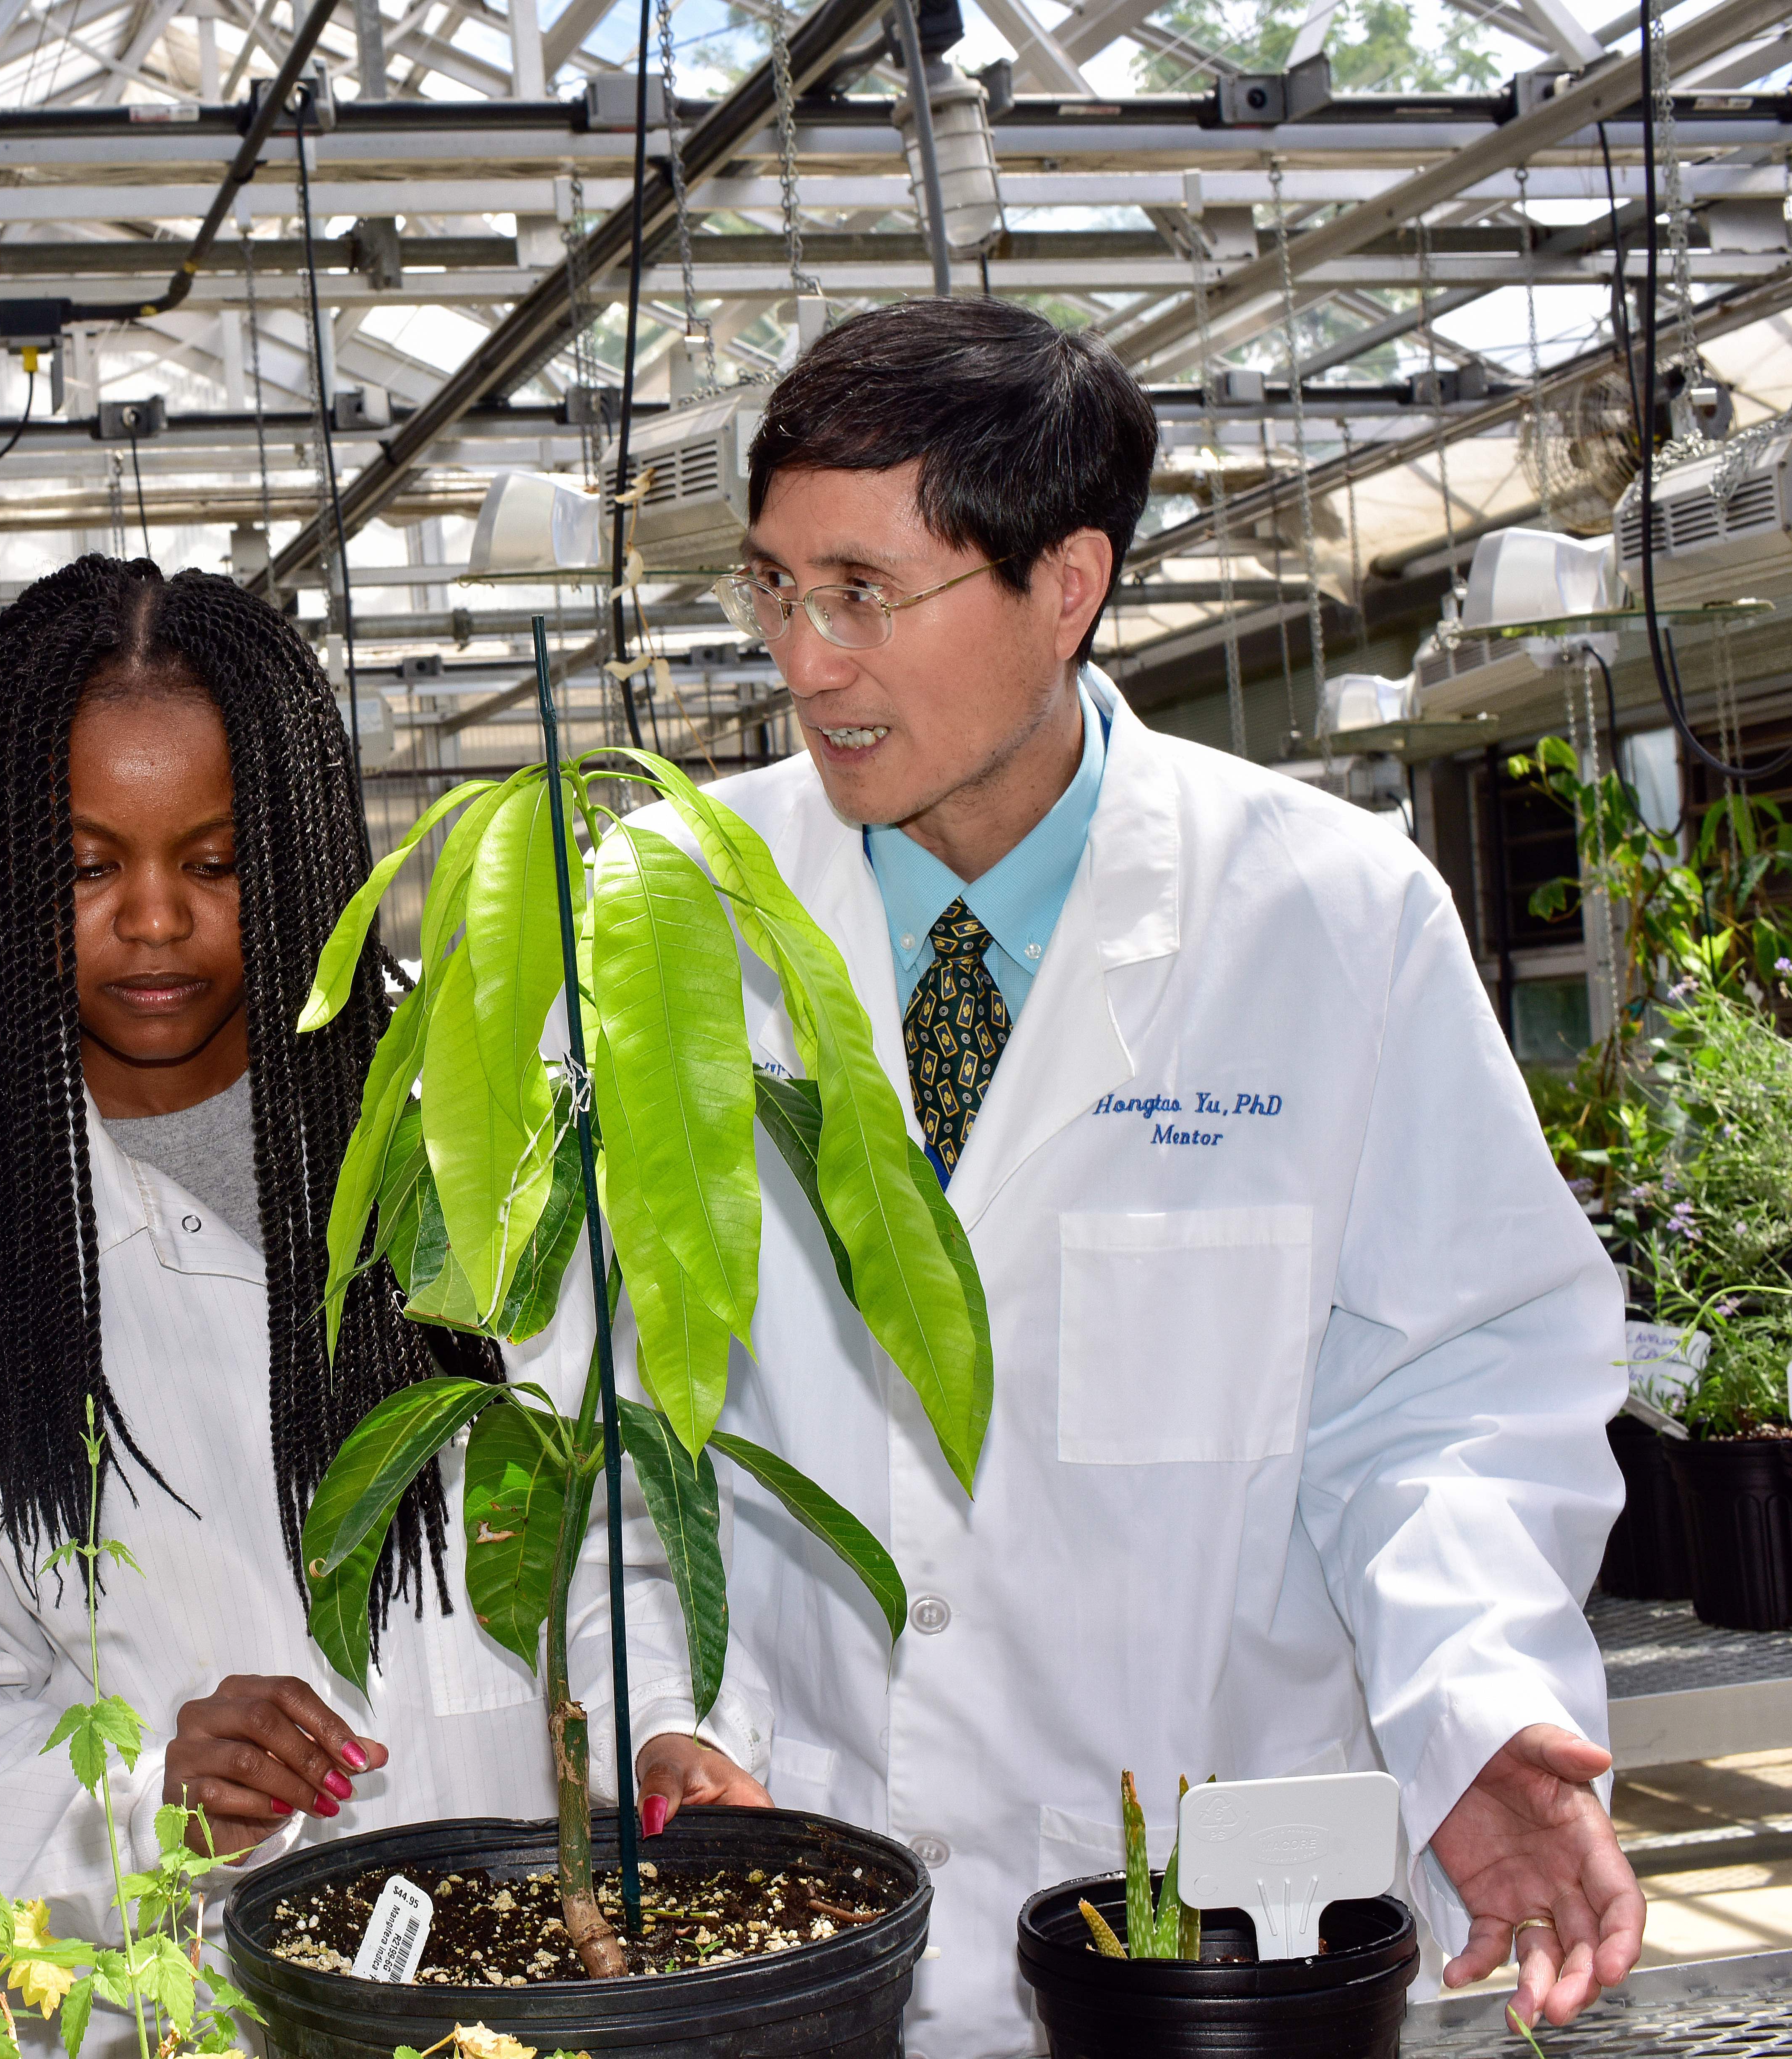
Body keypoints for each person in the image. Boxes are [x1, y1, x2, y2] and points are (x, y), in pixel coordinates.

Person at [650, 298, 1636, 2058]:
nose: (804, 661)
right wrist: (659, 1709)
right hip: (795, 1888)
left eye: (865, 592)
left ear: (1068, 584)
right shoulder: (669, 910)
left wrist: (1472, 1703)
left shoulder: (1327, 915)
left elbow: (1451, 1386)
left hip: (1208, 1916)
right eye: (775, 588)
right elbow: (584, 1393)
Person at [0, 558, 747, 1967]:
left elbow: (623, 1499)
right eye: (85, 866)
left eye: (213, 864)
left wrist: (668, 1731)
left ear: (295, 853)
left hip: (543, 1959)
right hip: (181, 2000)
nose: (153, 918)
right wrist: (152, 1800)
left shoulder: (472, 1128)